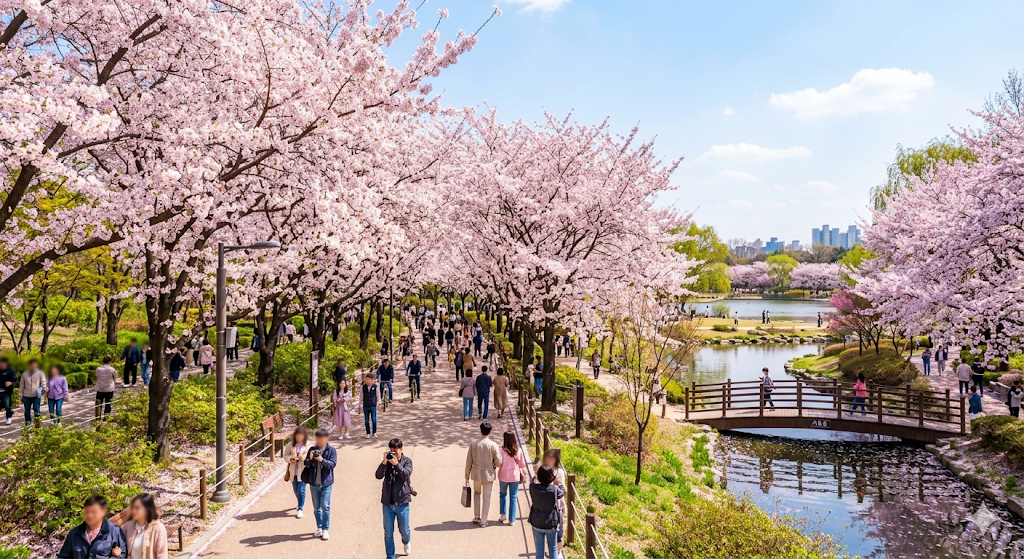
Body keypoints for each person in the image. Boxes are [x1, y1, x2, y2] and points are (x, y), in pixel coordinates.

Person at [376, 438, 414, 559]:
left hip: (402, 502)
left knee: (404, 530)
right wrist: (383, 463)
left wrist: (396, 464)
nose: (393, 453)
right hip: (387, 503)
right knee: (388, 533)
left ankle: (406, 541)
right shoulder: (387, 462)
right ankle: (390, 556)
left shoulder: (407, 461)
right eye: (391, 451)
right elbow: (378, 476)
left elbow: (405, 475)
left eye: (395, 451)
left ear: (401, 449)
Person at [58, 495, 127, 559]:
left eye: (94, 512)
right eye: (87, 512)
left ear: (103, 512)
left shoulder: (115, 531)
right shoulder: (74, 533)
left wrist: (116, 554)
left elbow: (122, 555)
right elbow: (63, 556)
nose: (90, 515)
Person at [301, 428, 337, 540]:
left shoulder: (331, 450)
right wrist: (311, 458)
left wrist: (321, 460)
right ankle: (319, 527)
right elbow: (306, 464)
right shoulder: (312, 449)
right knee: (316, 508)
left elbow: (332, 464)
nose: (318, 440)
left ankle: (325, 529)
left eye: (320, 438)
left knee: (325, 506)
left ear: (326, 439)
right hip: (313, 483)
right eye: (317, 438)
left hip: (326, 483)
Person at [465, 421, 502, 527]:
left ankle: (476, 516)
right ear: (490, 432)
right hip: (488, 474)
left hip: (476, 473)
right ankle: (484, 520)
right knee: (487, 497)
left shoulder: (473, 444)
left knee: (477, 494)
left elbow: (469, 461)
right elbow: (498, 462)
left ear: (480, 431)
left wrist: (467, 476)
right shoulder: (493, 445)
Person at [528, 465, 563, 559]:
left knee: (539, 550)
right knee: (553, 549)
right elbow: (562, 492)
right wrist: (557, 483)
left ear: (538, 477)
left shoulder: (533, 487)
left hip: (536, 521)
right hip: (551, 522)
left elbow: (531, 481)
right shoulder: (554, 490)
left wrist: (535, 477)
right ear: (551, 477)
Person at [121, 493, 168, 559]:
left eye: (137, 508)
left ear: (147, 509)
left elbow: (162, 556)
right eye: (133, 507)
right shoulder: (127, 526)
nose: (133, 511)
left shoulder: (158, 528)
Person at [539, 449, 567, 556]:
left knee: (559, 531)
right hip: (545, 504)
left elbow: (562, 489)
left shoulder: (559, 472)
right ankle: (554, 551)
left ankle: (558, 551)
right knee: (548, 530)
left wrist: (554, 483)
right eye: (547, 457)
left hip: (557, 505)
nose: (549, 460)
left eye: (552, 458)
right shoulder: (542, 469)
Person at [497, 431, 527, 524]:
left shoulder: (501, 451)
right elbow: (522, 465)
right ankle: (512, 519)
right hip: (514, 477)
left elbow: (499, 463)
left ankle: (503, 515)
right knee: (513, 497)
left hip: (503, 476)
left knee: (502, 495)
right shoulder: (518, 450)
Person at [284, 426, 310, 517]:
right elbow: (286, 455)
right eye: (297, 436)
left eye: (301, 436)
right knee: (296, 490)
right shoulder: (290, 444)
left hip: (303, 471)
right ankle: (300, 502)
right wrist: (290, 459)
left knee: (301, 490)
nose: (299, 438)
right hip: (293, 471)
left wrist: (302, 458)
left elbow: (309, 456)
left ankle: (300, 508)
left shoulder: (308, 445)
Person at [19, 358, 46, 424]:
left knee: (36, 409)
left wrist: (44, 388)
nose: (34, 366)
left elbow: (43, 382)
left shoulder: (40, 373)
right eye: (32, 365)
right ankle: (28, 423)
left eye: (35, 365)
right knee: (27, 411)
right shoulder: (24, 374)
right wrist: (20, 393)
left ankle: (38, 423)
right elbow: (22, 384)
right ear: (29, 365)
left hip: (36, 395)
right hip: (26, 395)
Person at [359, 373, 379, 439]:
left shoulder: (375, 386)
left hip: (373, 405)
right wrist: (360, 403)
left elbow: (378, 395)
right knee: (366, 420)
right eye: (365, 379)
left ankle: (374, 432)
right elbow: (361, 396)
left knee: (374, 419)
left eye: (367, 379)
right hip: (366, 405)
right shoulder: (363, 387)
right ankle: (368, 432)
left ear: (371, 380)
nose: (365, 380)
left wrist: (379, 402)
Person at [0, 357, 17, 425]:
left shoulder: (10, 370)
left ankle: (9, 417)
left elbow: (15, 379)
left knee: (6, 405)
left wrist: (10, 383)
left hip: (6, 391)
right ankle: (10, 412)